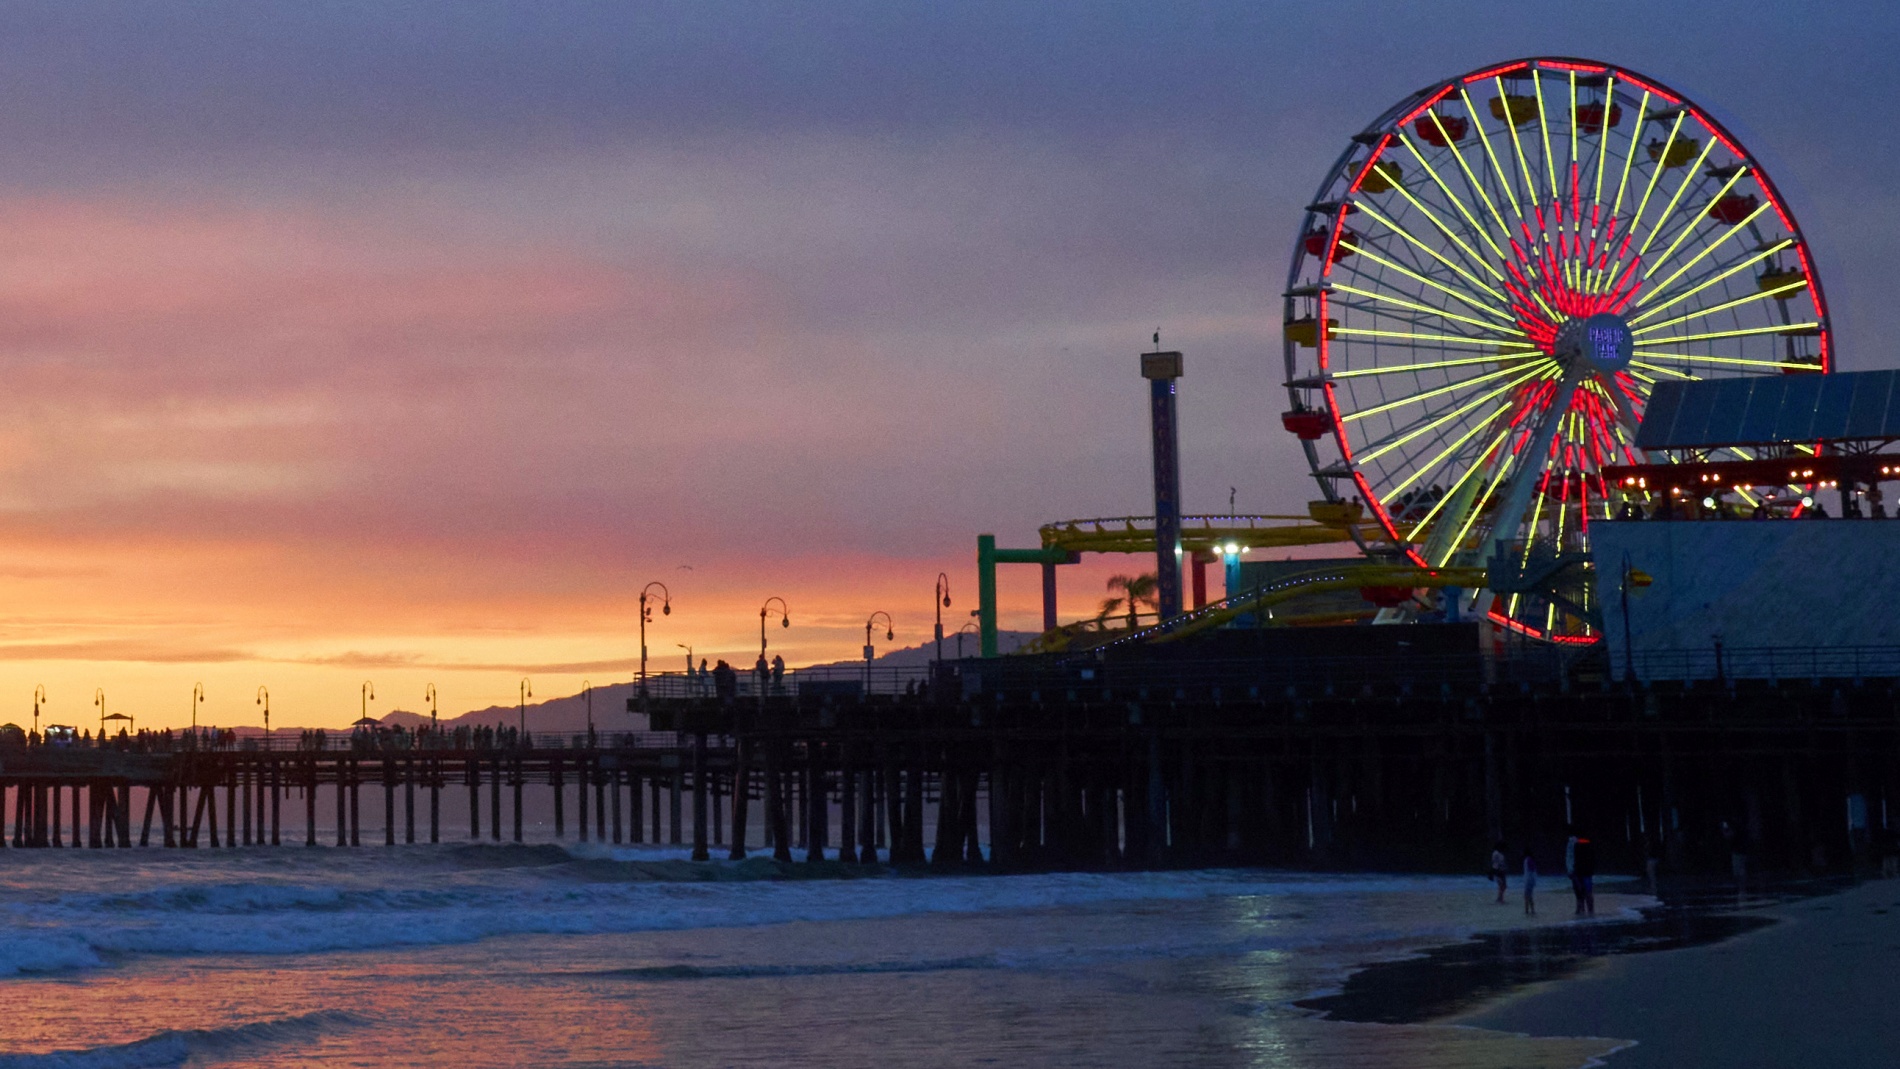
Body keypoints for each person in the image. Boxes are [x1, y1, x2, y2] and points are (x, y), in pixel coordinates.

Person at [1573, 833, 1597, 916]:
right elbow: (1593, 858)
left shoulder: (1577, 845)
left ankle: (1582, 910)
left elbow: (1575, 859)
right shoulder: (1589, 845)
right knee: (1588, 892)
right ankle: (1590, 910)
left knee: (1580, 892)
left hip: (1580, 871)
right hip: (1587, 872)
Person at [1521, 843, 1538, 917]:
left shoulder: (1527, 860)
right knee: (1529, 896)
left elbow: (1531, 870)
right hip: (1530, 880)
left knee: (1526, 896)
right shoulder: (1530, 859)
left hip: (1529, 880)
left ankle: (1527, 911)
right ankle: (1531, 910)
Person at [1489, 840, 1508, 904]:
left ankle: (1500, 898)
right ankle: (1500, 899)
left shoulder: (1500, 853)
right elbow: (1494, 863)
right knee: (1501, 885)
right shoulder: (1496, 853)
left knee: (1503, 886)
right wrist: (1493, 871)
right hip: (1498, 871)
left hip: (1502, 871)